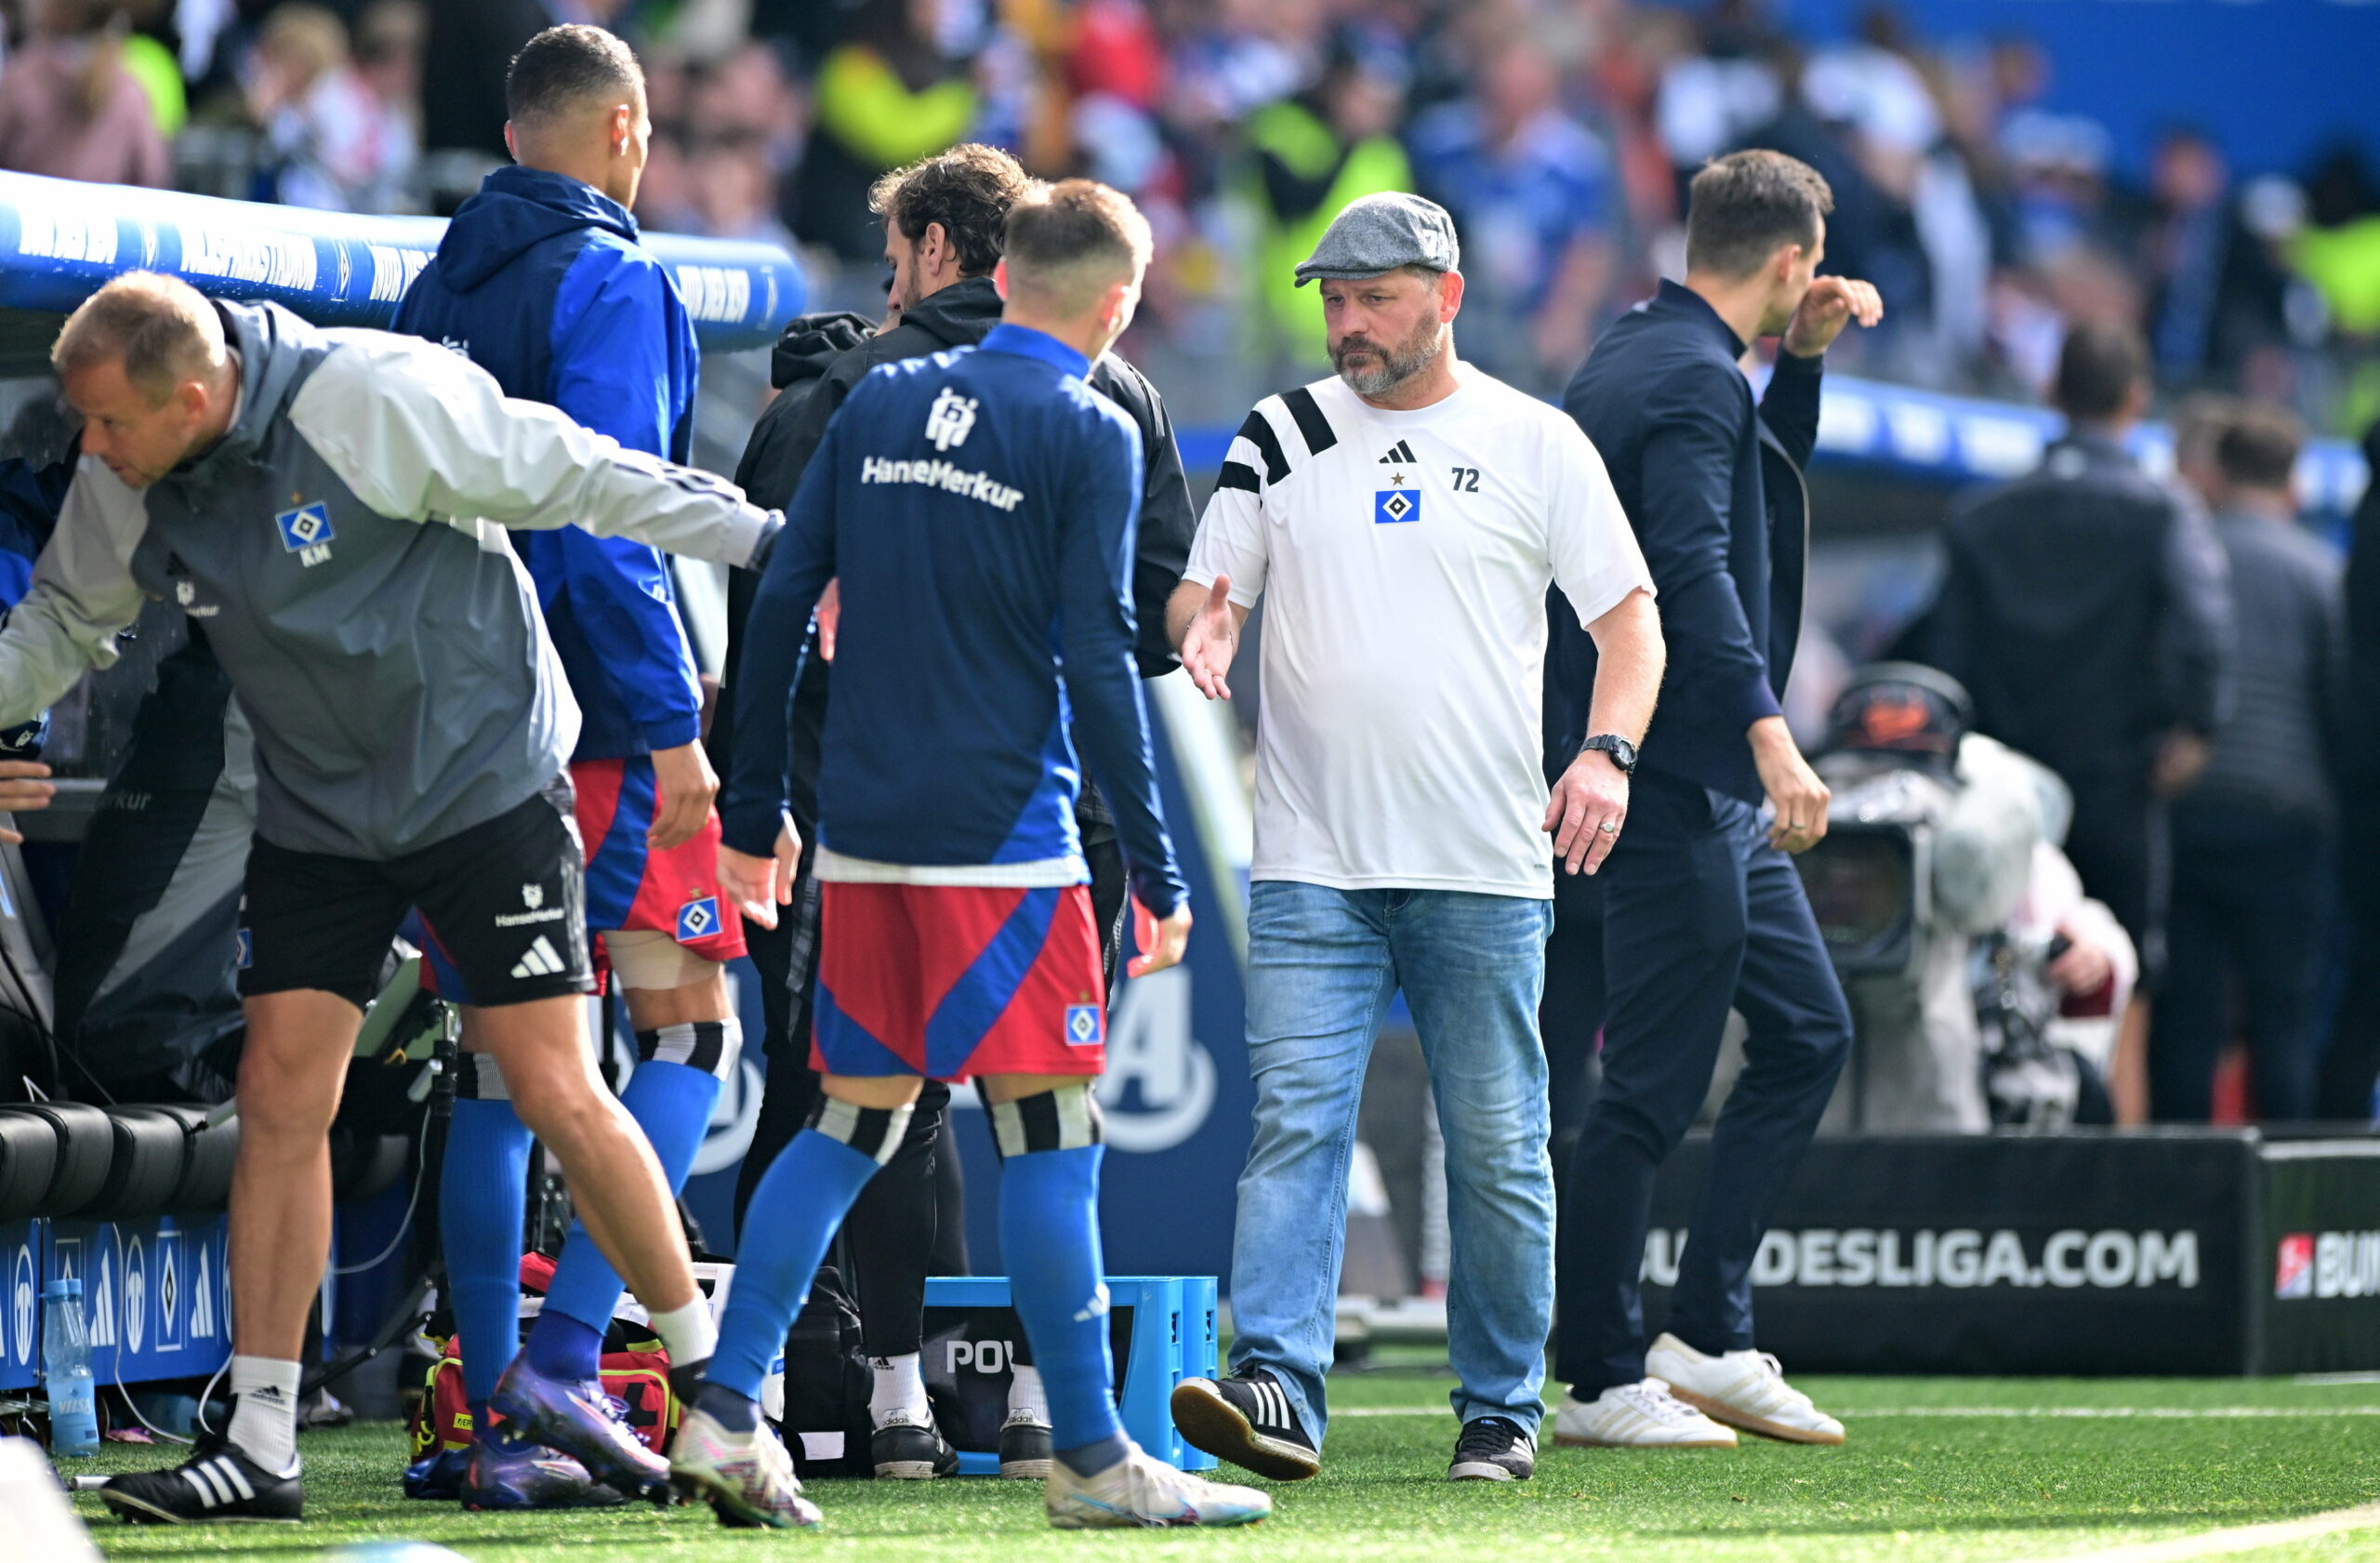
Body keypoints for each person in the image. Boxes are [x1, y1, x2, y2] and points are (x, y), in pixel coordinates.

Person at [0, 272, 776, 1523]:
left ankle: (726, 1415)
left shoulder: (370, 400)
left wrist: (783, 546)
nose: (87, 449)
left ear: (193, 398)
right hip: (318, 818)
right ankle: (259, 1441)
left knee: (555, 1089)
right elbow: (59, 623)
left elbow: (583, 474)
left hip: (483, 794)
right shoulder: (128, 475)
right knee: (278, 1094)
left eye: (108, 426)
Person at [667, 179, 1266, 1531]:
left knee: (844, 1125)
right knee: (1053, 1140)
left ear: (1000, 279)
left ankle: (722, 1410)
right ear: (1113, 303)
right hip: (1009, 848)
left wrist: (754, 818)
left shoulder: (870, 402)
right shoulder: (1093, 423)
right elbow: (1104, 669)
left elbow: (767, 618)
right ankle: (1095, 1459)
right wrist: (1163, 874)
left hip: (866, 846)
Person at [1167, 191, 1665, 1486]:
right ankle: (1276, 1385)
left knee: (1498, 1142)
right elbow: (1204, 584)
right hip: (1312, 862)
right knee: (1294, 1127)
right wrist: (1203, 626)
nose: (1346, 323)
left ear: (1444, 295)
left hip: (1483, 863)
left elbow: (1630, 624)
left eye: (1373, 297)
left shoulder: (1534, 440)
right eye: (1332, 299)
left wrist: (1607, 755)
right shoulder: (1277, 435)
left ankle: (1501, 1403)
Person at [389, 24, 751, 1510]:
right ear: (621, 134)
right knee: (684, 1034)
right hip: (597, 717)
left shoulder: (427, 287)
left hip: (449, 720)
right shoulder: (612, 276)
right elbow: (606, 513)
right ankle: (567, 1356)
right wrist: (674, 730)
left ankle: (491, 1419)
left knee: (500, 1065)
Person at [1548, 150, 1876, 1451]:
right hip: (1674, 775)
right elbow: (1691, 569)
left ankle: (1710, 1331)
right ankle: (1602, 1374)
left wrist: (1796, 361)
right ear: (1794, 260)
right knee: (1646, 1086)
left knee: (1807, 1027)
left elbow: (1743, 501)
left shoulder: (1644, 354)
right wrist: (1772, 735)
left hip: (1686, 780)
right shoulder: (1688, 382)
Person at [1925, 320, 2231, 1122]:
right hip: (2118, 786)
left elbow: (1944, 659)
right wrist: (2196, 731)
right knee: (2124, 982)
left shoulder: (1980, 516)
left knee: (1986, 974)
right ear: (2137, 399)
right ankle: (2118, 1190)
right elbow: (2204, 632)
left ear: (2052, 394)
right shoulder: (2163, 513)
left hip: (2002, 800)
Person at [1805, 664, 2133, 1132]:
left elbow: (2085, 930)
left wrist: (2090, 950)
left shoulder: (1994, 850)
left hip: (1946, 1100)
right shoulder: (1785, 827)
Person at [2152, 405, 2344, 1122]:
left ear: (2220, 473)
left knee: (2187, 1021)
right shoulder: (2320, 570)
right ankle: (2285, 1202)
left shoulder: (2182, 553)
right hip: (2287, 822)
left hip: (2190, 809)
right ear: (2293, 482)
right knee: (2282, 1021)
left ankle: (2183, 1196)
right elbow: (2336, 694)